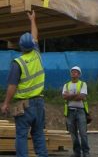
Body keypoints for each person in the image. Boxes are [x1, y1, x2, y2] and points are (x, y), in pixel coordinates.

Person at [0, 10, 48, 157]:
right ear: (32, 45)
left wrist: (6, 103)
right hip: (39, 103)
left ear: (20, 46)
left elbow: (12, 86)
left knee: (21, 135)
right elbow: (35, 36)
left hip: (25, 105)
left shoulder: (18, 63)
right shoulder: (37, 53)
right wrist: (33, 19)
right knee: (38, 134)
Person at [62, 66, 90, 157]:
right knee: (73, 134)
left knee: (83, 133)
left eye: (75, 72)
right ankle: (77, 152)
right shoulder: (66, 85)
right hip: (70, 112)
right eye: (72, 72)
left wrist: (70, 95)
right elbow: (64, 97)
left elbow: (81, 97)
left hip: (80, 111)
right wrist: (76, 94)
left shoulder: (83, 84)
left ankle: (86, 152)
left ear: (79, 74)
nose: (73, 73)